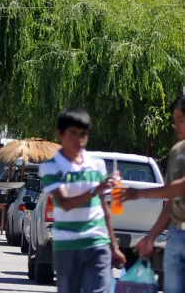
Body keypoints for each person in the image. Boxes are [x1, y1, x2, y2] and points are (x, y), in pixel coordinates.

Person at [39, 108, 124, 293]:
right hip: (67, 245)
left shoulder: (97, 164)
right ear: (60, 134)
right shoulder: (51, 167)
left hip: (97, 242)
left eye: (83, 135)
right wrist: (95, 189)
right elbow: (64, 203)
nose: (78, 140)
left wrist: (114, 246)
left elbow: (103, 207)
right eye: (73, 133)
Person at [120, 95, 185, 292]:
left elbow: (181, 187)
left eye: (181, 119)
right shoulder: (177, 152)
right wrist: (150, 237)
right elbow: (172, 201)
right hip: (176, 235)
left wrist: (140, 194)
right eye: (174, 120)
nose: (176, 125)